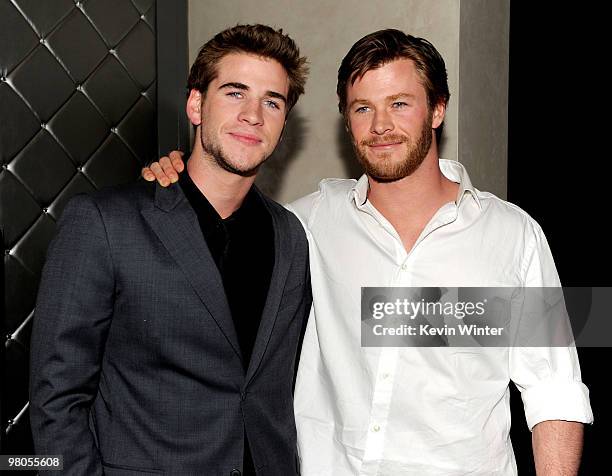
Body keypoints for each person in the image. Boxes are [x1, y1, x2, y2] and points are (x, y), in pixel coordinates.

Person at [144, 29, 592, 475]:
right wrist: (177, 174)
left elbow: (554, 388)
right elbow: (217, 217)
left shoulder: (513, 234)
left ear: (437, 110)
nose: (380, 126)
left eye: (399, 103)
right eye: (363, 108)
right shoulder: (307, 224)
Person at [30, 24, 311, 476]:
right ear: (196, 104)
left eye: (272, 101)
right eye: (235, 93)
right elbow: (55, 396)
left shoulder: (291, 235)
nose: (254, 114)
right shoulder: (105, 222)